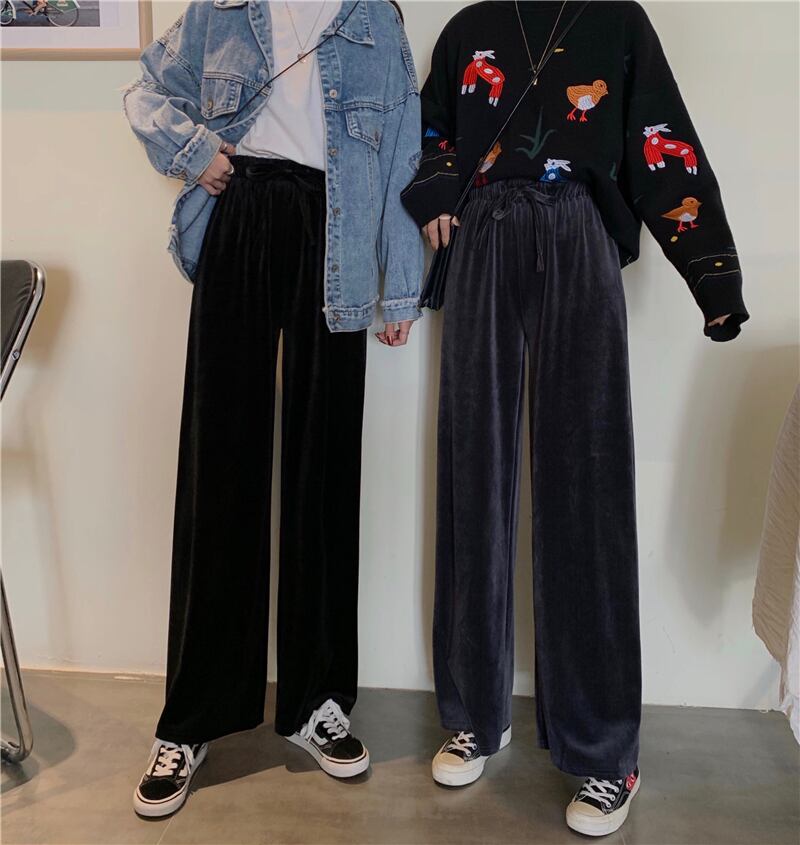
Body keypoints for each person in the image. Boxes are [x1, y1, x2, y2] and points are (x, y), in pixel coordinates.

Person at [401, 0, 748, 837]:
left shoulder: (617, 23)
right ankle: (475, 712)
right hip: (482, 241)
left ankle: (604, 749)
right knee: (474, 477)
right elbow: (427, 128)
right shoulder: (467, 28)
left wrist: (713, 278)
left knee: (586, 488)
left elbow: (663, 142)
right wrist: (437, 189)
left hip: (579, 235)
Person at [123, 0, 422, 818]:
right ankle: (192, 716)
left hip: (339, 237)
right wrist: (197, 154)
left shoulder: (375, 18)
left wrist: (399, 285)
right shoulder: (224, 9)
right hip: (243, 216)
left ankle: (318, 700)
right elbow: (148, 89)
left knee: (324, 468)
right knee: (220, 466)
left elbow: (402, 150)